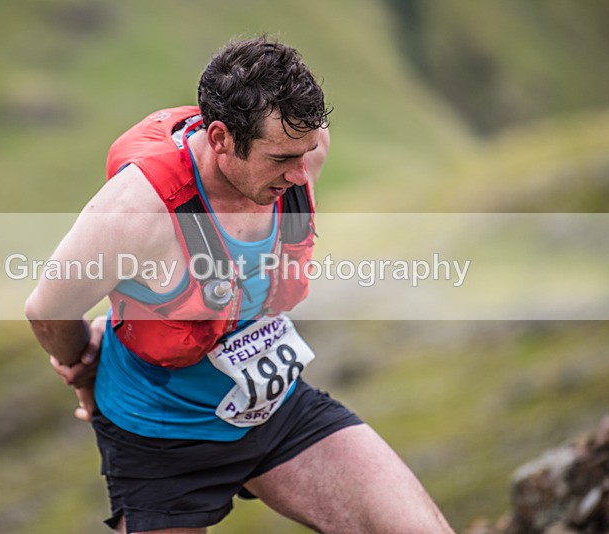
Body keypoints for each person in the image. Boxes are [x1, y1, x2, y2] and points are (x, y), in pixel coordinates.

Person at [25, 36, 454, 534]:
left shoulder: (303, 152)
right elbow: (46, 308)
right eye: (280, 159)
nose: (301, 172)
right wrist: (80, 367)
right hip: (160, 440)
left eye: (307, 150)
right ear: (222, 138)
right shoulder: (136, 212)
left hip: (274, 408)